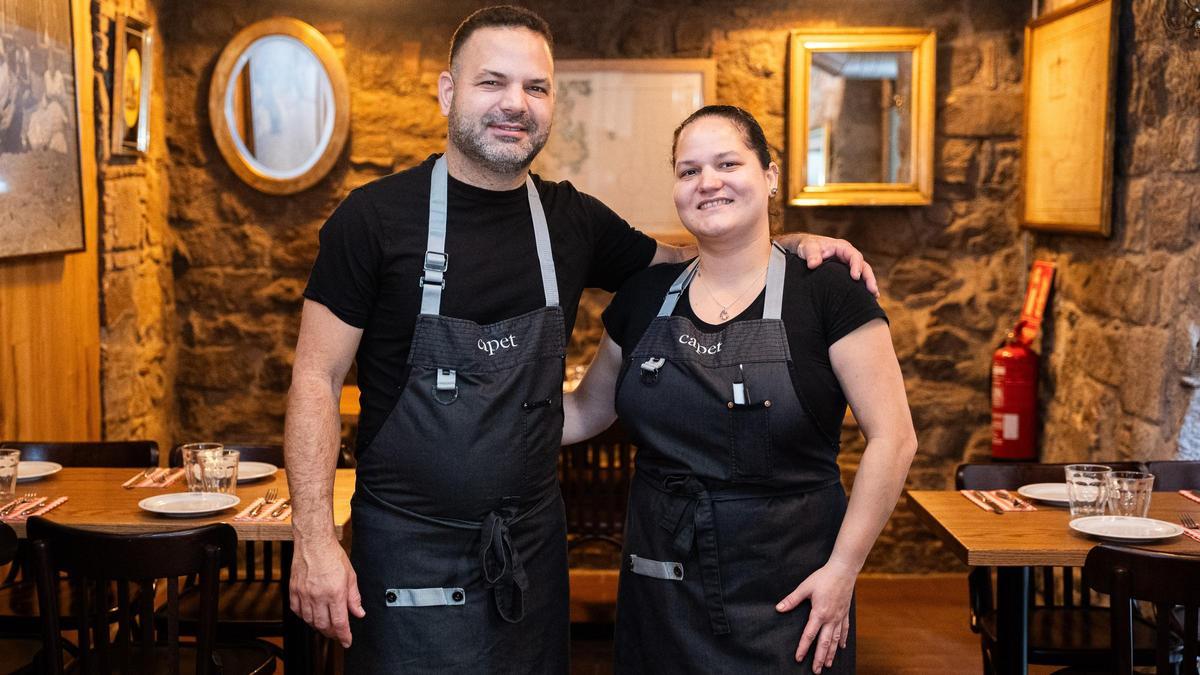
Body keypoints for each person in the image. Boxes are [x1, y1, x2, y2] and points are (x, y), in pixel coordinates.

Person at [285, 7, 878, 673]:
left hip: (533, 548)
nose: (516, 103)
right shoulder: (372, 220)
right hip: (409, 549)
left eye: (536, 87)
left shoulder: (571, 221)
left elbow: (691, 257)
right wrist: (314, 540)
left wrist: (786, 244)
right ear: (448, 92)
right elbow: (315, 378)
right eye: (492, 82)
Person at [562, 105, 917, 674]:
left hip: (792, 591)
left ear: (770, 175)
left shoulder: (828, 290)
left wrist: (843, 569)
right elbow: (585, 411)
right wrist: (484, 411)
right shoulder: (644, 295)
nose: (708, 182)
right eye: (689, 170)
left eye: (728, 163)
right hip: (662, 585)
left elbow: (894, 439)